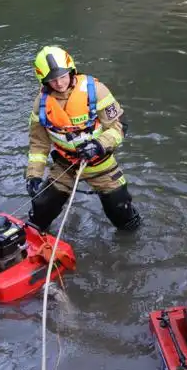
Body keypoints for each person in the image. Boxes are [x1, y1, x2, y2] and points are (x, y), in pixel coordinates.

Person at [25, 46, 141, 232]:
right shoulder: (41, 103)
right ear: (43, 80)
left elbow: (119, 127)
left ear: (72, 71)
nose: (60, 84)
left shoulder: (96, 91)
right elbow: (39, 143)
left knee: (121, 211)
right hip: (65, 165)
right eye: (53, 80)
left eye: (63, 77)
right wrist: (33, 175)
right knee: (42, 208)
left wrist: (98, 145)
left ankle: (131, 241)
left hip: (99, 162)